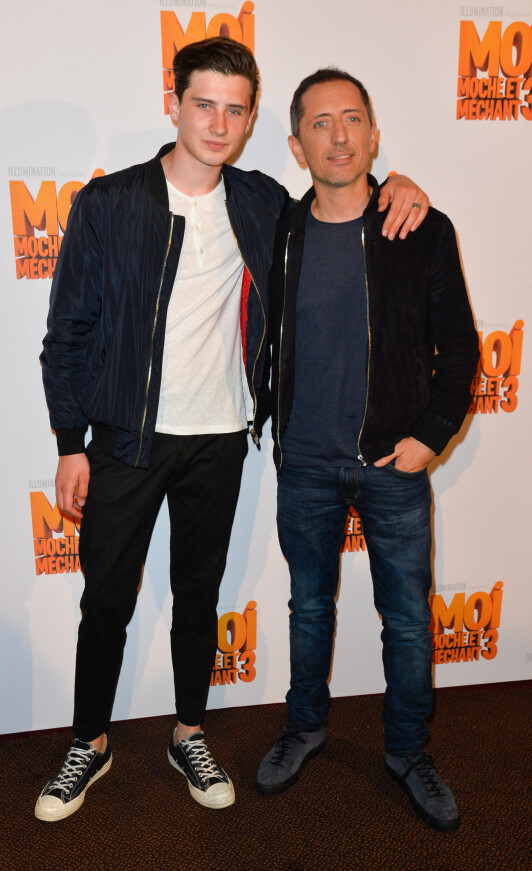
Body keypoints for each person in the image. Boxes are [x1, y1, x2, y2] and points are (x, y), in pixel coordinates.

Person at [36, 39, 427, 821]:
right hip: (123, 440)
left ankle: (189, 729)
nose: (218, 122)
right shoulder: (107, 203)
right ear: (173, 101)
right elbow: (66, 332)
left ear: (252, 119)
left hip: (218, 439)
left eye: (235, 108)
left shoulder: (259, 204)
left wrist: (397, 185)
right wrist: (68, 441)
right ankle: (90, 741)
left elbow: (339, 192)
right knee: (106, 599)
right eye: (203, 104)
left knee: (197, 596)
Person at [255, 68, 479, 832]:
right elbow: (190, 169)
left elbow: (463, 347)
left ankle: (408, 751)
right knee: (309, 608)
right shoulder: (276, 228)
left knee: (409, 620)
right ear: (296, 143)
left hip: (393, 463)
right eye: (321, 123)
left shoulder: (420, 226)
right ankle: (305, 726)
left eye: (353, 119)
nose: (340, 135)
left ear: (375, 134)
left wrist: (429, 435)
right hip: (307, 464)